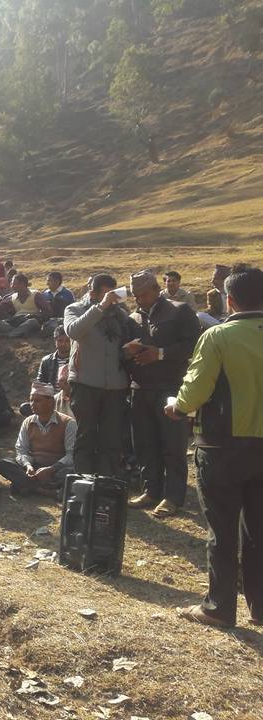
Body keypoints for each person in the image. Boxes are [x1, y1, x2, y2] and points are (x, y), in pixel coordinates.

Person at [166, 264, 263, 629]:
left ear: (229, 299)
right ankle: (260, 606)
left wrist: (176, 406)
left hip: (223, 446)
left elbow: (194, 392)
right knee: (259, 530)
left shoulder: (218, 336)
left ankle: (219, 607)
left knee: (222, 530)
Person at [123, 271, 201, 518]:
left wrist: (160, 353)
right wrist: (127, 351)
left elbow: (194, 345)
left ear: (157, 289)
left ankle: (173, 497)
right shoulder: (132, 318)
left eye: (144, 294)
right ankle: (151, 490)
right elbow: (122, 354)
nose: (140, 299)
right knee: (145, 443)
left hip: (170, 388)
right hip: (139, 389)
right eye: (135, 296)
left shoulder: (179, 311)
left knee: (172, 445)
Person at [64, 273, 130, 476]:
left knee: (111, 438)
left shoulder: (120, 314)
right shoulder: (75, 309)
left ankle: (107, 481)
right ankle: (84, 482)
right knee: (86, 435)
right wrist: (100, 307)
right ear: (93, 293)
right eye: (107, 294)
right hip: (85, 384)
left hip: (116, 386)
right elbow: (73, 331)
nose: (111, 298)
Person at [0, 382, 76, 498]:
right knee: (3, 464)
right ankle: (43, 490)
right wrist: (28, 466)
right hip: (34, 468)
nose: (32, 404)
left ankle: (25, 485)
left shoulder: (68, 423)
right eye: (31, 400)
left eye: (37, 401)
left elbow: (71, 455)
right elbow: (21, 450)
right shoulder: (28, 422)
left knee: (71, 472)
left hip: (56, 469)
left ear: (50, 402)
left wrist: (51, 469)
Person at [19, 326, 71, 417]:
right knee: (25, 408)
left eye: (67, 341)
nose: (63, 344)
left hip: (69, 398)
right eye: (60, 340)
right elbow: (40, 383)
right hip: (50, 399)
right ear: (55, 341)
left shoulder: (78, 360)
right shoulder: (47, 361)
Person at [0, 274, 53, 339]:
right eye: (12, 284)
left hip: (31, 321)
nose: (12, 286)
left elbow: (48, 311)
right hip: (17, 321)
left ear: (22, 284)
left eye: (14, 284)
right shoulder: (12, 297)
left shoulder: (36, 295)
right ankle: (19, 333)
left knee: (32, 321)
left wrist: (35, 316)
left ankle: (10, 334)